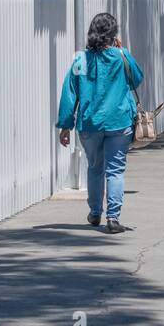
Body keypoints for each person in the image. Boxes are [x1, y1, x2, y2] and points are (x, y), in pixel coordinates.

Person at [56, 13, 144, 235]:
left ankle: (95, 212)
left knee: (95, 168)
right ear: (113, 34)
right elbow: (137, 79)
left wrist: (66, 125)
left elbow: (70, 93)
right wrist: (123, 51)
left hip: (90, 124)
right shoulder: (121, 56)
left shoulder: (81, 60)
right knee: (115, 170)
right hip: (119, 121)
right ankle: (113, 218)